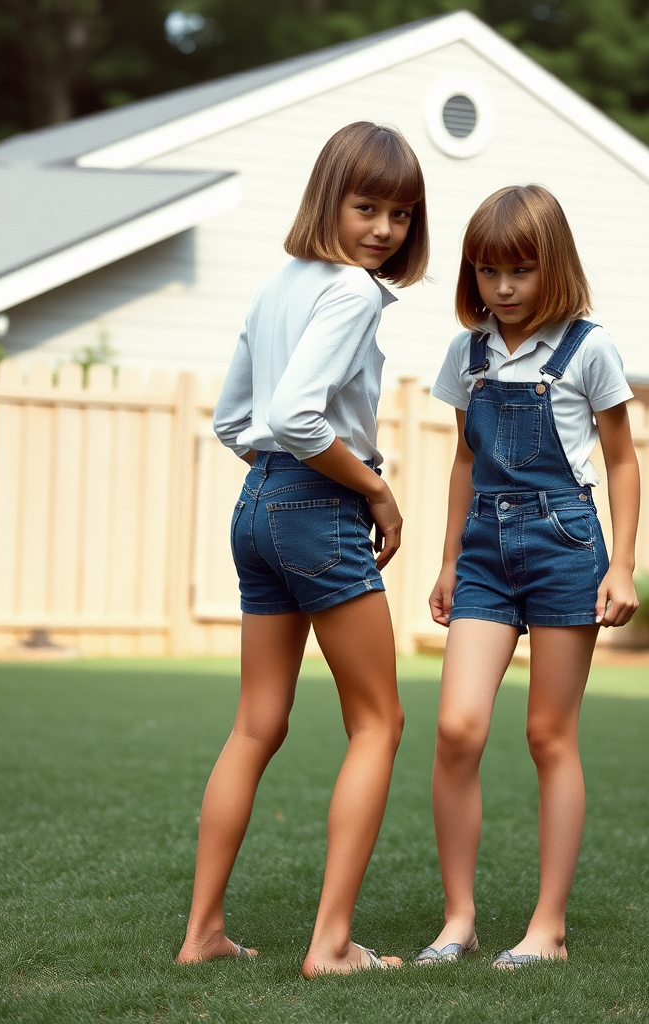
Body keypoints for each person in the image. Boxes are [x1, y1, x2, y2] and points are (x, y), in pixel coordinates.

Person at [176, 122, 428, 977]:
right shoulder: (352, 293)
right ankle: (330, 945)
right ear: (329, 199)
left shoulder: (276, 287)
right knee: (379, 722)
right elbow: (293, 418)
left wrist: (282, 482)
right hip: (318, 506)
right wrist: (375, 489)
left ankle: (203, 933)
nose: (385, 230)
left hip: (257, 505)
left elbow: (235, 423)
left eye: (401, 214)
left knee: (257, 724)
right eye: (368, 207)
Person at [417, 184, 640, 969]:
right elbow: (466, 458)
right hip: (483, 553)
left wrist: (622, 565)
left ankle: (547, 928)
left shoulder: (589, 349)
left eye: (519, 271)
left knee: (549, 734)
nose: (502, 289)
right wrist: (447, 558)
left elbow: (621, 460)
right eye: (486, 272)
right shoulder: (467, 352)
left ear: (554, 267)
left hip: (564, 547)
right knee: (456, 729)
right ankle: (458, 921)